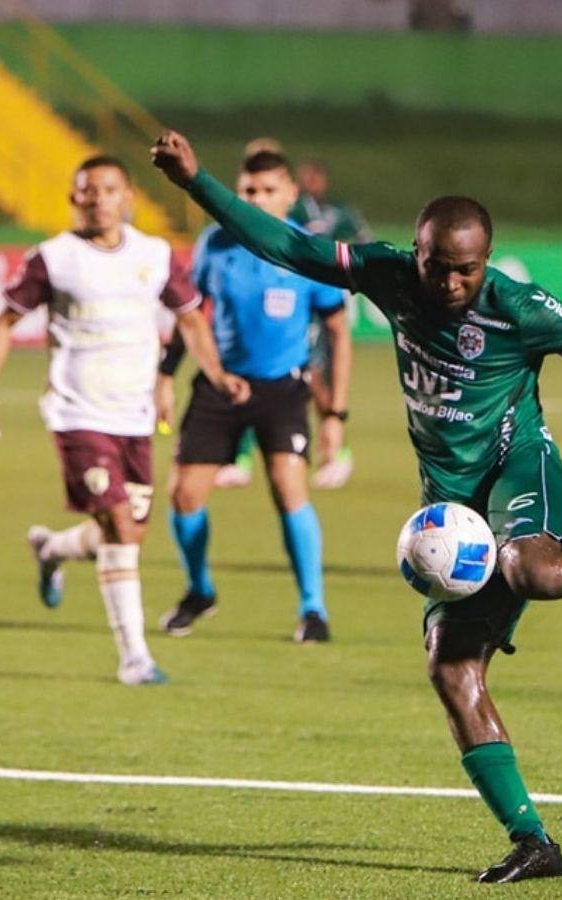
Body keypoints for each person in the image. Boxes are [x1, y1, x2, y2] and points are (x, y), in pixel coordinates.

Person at [151, 129, 562, 883]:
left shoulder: (519, 308)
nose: (450, 284)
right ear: (417, 252)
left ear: (486, 260)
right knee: (451, 669)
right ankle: (534, 841)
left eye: (466, 270)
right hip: (451, 506)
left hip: (521, 469)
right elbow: (289, 247)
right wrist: (197, 183)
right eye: (438, 267)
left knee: (533, 566)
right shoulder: (388, 275)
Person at [0, 155, 228, 686]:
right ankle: (134, 656)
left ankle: (52, 548)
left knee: (129, 532)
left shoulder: (154, 255)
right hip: (77, 412)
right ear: (74, 199)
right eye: (87, 191)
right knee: (116, 522)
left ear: (127, 196)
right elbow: (4, 323)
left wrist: (217, 377)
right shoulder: (54, 258)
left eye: (109, 189)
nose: (98, 199)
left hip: (133, 415)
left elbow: (190, 319)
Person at [154, 149, 352, 644]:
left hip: (284, 387)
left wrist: (335, 412)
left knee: (289, 487)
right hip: (221, 384)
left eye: (268, 190)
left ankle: (313, 609)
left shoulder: (308, 250)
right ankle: (200, 591)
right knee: (184, 494)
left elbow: (337, 331)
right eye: (248, 191)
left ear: (290, 194)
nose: (257, 199)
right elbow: (190, 314)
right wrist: (165, 374)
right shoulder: (215, 245)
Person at [293, 157, 373, 489]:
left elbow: (365, 241)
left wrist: (347, 264)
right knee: (308, 375)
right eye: (305, 177)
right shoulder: (294, 212)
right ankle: (330, 450)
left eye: (314, 176)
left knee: (315, 374)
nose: (310, 182)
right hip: (300, 298)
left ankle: (336, 450)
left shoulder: (339, 211)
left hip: (327, 299)